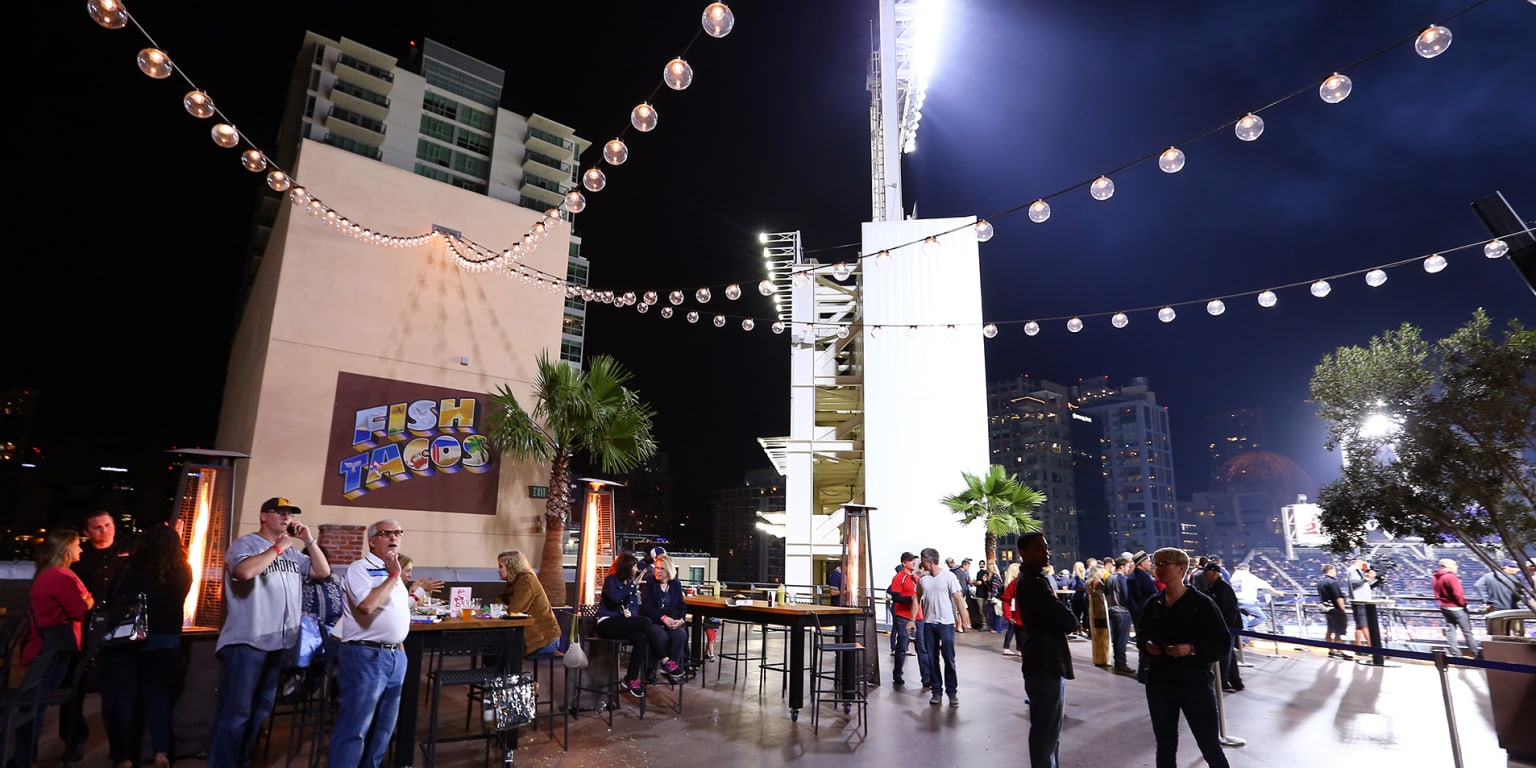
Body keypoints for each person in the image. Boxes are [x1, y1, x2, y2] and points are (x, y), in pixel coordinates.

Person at [210, 496, 330, 768]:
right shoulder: (247, 544)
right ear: (263, 516)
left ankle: (241, 760)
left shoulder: (290, 552)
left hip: (277, 642)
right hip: (247, 641)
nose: (286, 517)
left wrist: (309, 541)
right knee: (236, 713)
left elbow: (322, 571)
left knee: (260, 710)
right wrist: (276, 549)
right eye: (279, 512)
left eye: (290, 513)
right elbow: (243, 571)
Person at [100, 523, 192, 768]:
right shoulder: (184, 570)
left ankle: (124, 757)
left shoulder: (132, 568)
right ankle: (161, 751)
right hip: (167, 640)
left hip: (131, 640)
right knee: (158, 696)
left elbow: (112, 594)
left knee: (125, 699)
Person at [1136, 547, 1233, 768]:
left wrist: (1190, 648)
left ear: (1181, 569)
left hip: (1194, 683)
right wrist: (1147, 645)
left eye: (1163, 564)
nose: (1157, 569)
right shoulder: (1153, 603)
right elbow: (1141, 635)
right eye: (1156, 564)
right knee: (1165, 745)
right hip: (1160, 682)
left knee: (1209, 745)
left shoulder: (1202, 604)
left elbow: (1222, 643)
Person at [328, 519, 410, 768]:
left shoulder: (391, 573)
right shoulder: (359, 569)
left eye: (398, 532)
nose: (394, 537)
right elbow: (366, 606)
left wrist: (399, 649)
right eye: (387, 533)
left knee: (384, 728)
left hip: (395, 657)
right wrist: (394, 576)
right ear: (372, 541)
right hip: (366, 656)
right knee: (355, 727)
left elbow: (396, 614)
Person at [12, 529, 94, 768]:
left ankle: (23, 758)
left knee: (33, 705)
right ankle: (23, 760)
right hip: (50, 650)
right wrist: (87, 600)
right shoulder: (60, 577)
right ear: (65, 549)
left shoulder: (50, 574)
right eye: (78, 545)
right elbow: (80, 608)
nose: (81, 549)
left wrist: (85, 598)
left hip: (46, 647)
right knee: (34, 706)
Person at [1014, 532, 1078, 768]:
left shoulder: (1034, 580)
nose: (1046, 552)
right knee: (1046, 730)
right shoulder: (1033, 583)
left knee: (1050, 731)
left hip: (1044, 661)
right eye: (1039, 548)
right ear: (1024, 552)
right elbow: (1067, 620)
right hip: (1044, 662)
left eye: (1046, 547)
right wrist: (1068, 618)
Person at [594, 552, 683, 699]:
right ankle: (665, 660)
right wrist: (632, 585)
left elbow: (635, 607)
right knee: (646, 621)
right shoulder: (611, 580)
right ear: (626, 567)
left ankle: (630, 678)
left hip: (621, 624)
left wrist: (630, 613)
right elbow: (615, 598)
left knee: (642, 638)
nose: (636, 569)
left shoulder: (629, 584)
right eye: (634, 566)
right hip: (606, 623)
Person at [916, 547, 967, 706]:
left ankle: (952, 693)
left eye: (922, 561)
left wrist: (964, 620)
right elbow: (916, 598)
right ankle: (936, 691)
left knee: (949, 659)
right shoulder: (923, 579)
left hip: (946, 624)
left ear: (929, 561)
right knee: (932, 659)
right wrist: (912, 619)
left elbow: (958, 599)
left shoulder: (949, 576)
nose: (920, 563)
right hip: (929, 624)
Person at [497, 550, 561, 656]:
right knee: (494, 646)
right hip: (529, 637)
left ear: (512, 566)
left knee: (498, 648)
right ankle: (498, 672)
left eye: (500, 566)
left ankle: (508, 673)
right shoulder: (515, 582)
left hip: (544, 640)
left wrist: (505, 607)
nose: (497, 570)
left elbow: (514, 611)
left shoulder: (526, 581)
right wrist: (504, 606)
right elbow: (499, 600)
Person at [1199, 562, 1244, 692]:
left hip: (1226, 627)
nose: (1204, 574)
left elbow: (1228, 610)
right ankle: (1235, 681)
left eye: (1206, 572)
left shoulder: (1222, 588)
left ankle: (1223, 682)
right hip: (1224, 626)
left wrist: (1224, 628)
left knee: (1225, 654)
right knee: (1229, 654)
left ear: (1213, 572)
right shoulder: (1214, 587)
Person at [640, 554, 689, 672]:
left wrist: (681, 620)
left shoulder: (675, 584)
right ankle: (650, 671)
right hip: (654, 620)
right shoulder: (650, 582)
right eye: (657, 568)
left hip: (672, 620)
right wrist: (663, 618)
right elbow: (646, 607)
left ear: (669, 570)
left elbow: (681, 606)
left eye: (662, 569)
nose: (658, 571)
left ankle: (672, 668)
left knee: (680, 634)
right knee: (660, 636)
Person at [1432, 559, 1482, 658]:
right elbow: (1457, 593)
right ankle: (1476, 654)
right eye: (1454, 564)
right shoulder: (1450, 577)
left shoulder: (1435, 577)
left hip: (1444, 607)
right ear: (1446, 566)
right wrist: (1463, 604)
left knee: (1451, 631)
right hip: (1456, 608)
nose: (1457, 567)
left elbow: (1437, 593)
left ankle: (1456, 654)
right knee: (1467, 632)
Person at [887, 552, 921, 686]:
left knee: (922, 647)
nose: (913, 562)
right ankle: (897, 674)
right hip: (903, 616)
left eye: (914, 560)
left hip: (919, 617)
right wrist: (910, 600)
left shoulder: (916, 578)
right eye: (911, 561)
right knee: (902, 645)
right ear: (904, 563)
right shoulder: (899, 577)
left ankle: (926, 677)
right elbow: (895, 596)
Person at [1229, 562, 1284, 635]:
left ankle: (1244, 637)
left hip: (1237, 601)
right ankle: (1244, 629)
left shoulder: (1234, 576)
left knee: (1244, 619)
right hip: (1247, 601)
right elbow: (1264, 584)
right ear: (1247, 569)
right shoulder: (1247, 576)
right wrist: (1276, 592)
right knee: (1261, 617)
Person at [1104, 556, 1134, 674]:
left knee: (1116, 639)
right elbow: (1126, 595)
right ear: (1121, 566)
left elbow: (1106, 593)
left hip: (1111, 610)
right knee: (1122, 639)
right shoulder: (1122, 579)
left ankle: (1117, 662)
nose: (1128, 569)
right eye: (1127, 566)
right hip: (1122, 611)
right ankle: (1121, 664)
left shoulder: (1109, 578)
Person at [1317, 563, 1351, 659]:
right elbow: (1338, 597)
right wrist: (1343, 609)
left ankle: (1331, 650)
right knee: (1338, 632)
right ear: (1331, 570)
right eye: (1335, 570)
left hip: (1326, 609)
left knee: (1329, 630)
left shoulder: (1320, 582)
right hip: (1335, 609)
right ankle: (1339, 651)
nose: (1336, 572)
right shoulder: (1333, 582)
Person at [1347, 559, 1375, 648]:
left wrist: (1368, 579)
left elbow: (1362, 584)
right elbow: (1354, 584)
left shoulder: (1356, 571)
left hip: (1360, 601)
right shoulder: (1354, 570)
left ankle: (1358, 647)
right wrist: (1365, 579)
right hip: (1360, 601)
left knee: (1359, 626)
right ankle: (1372, 647)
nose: (1365, 566)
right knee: (1364, 625)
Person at [998, 562, 1023, 656]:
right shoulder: (1015, 582)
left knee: (1012, 629)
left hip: (1013, 608)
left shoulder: (1009, 581)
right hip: (1014, 608)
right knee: (1014, 629)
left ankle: (1007, 647)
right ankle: (1016, 648)